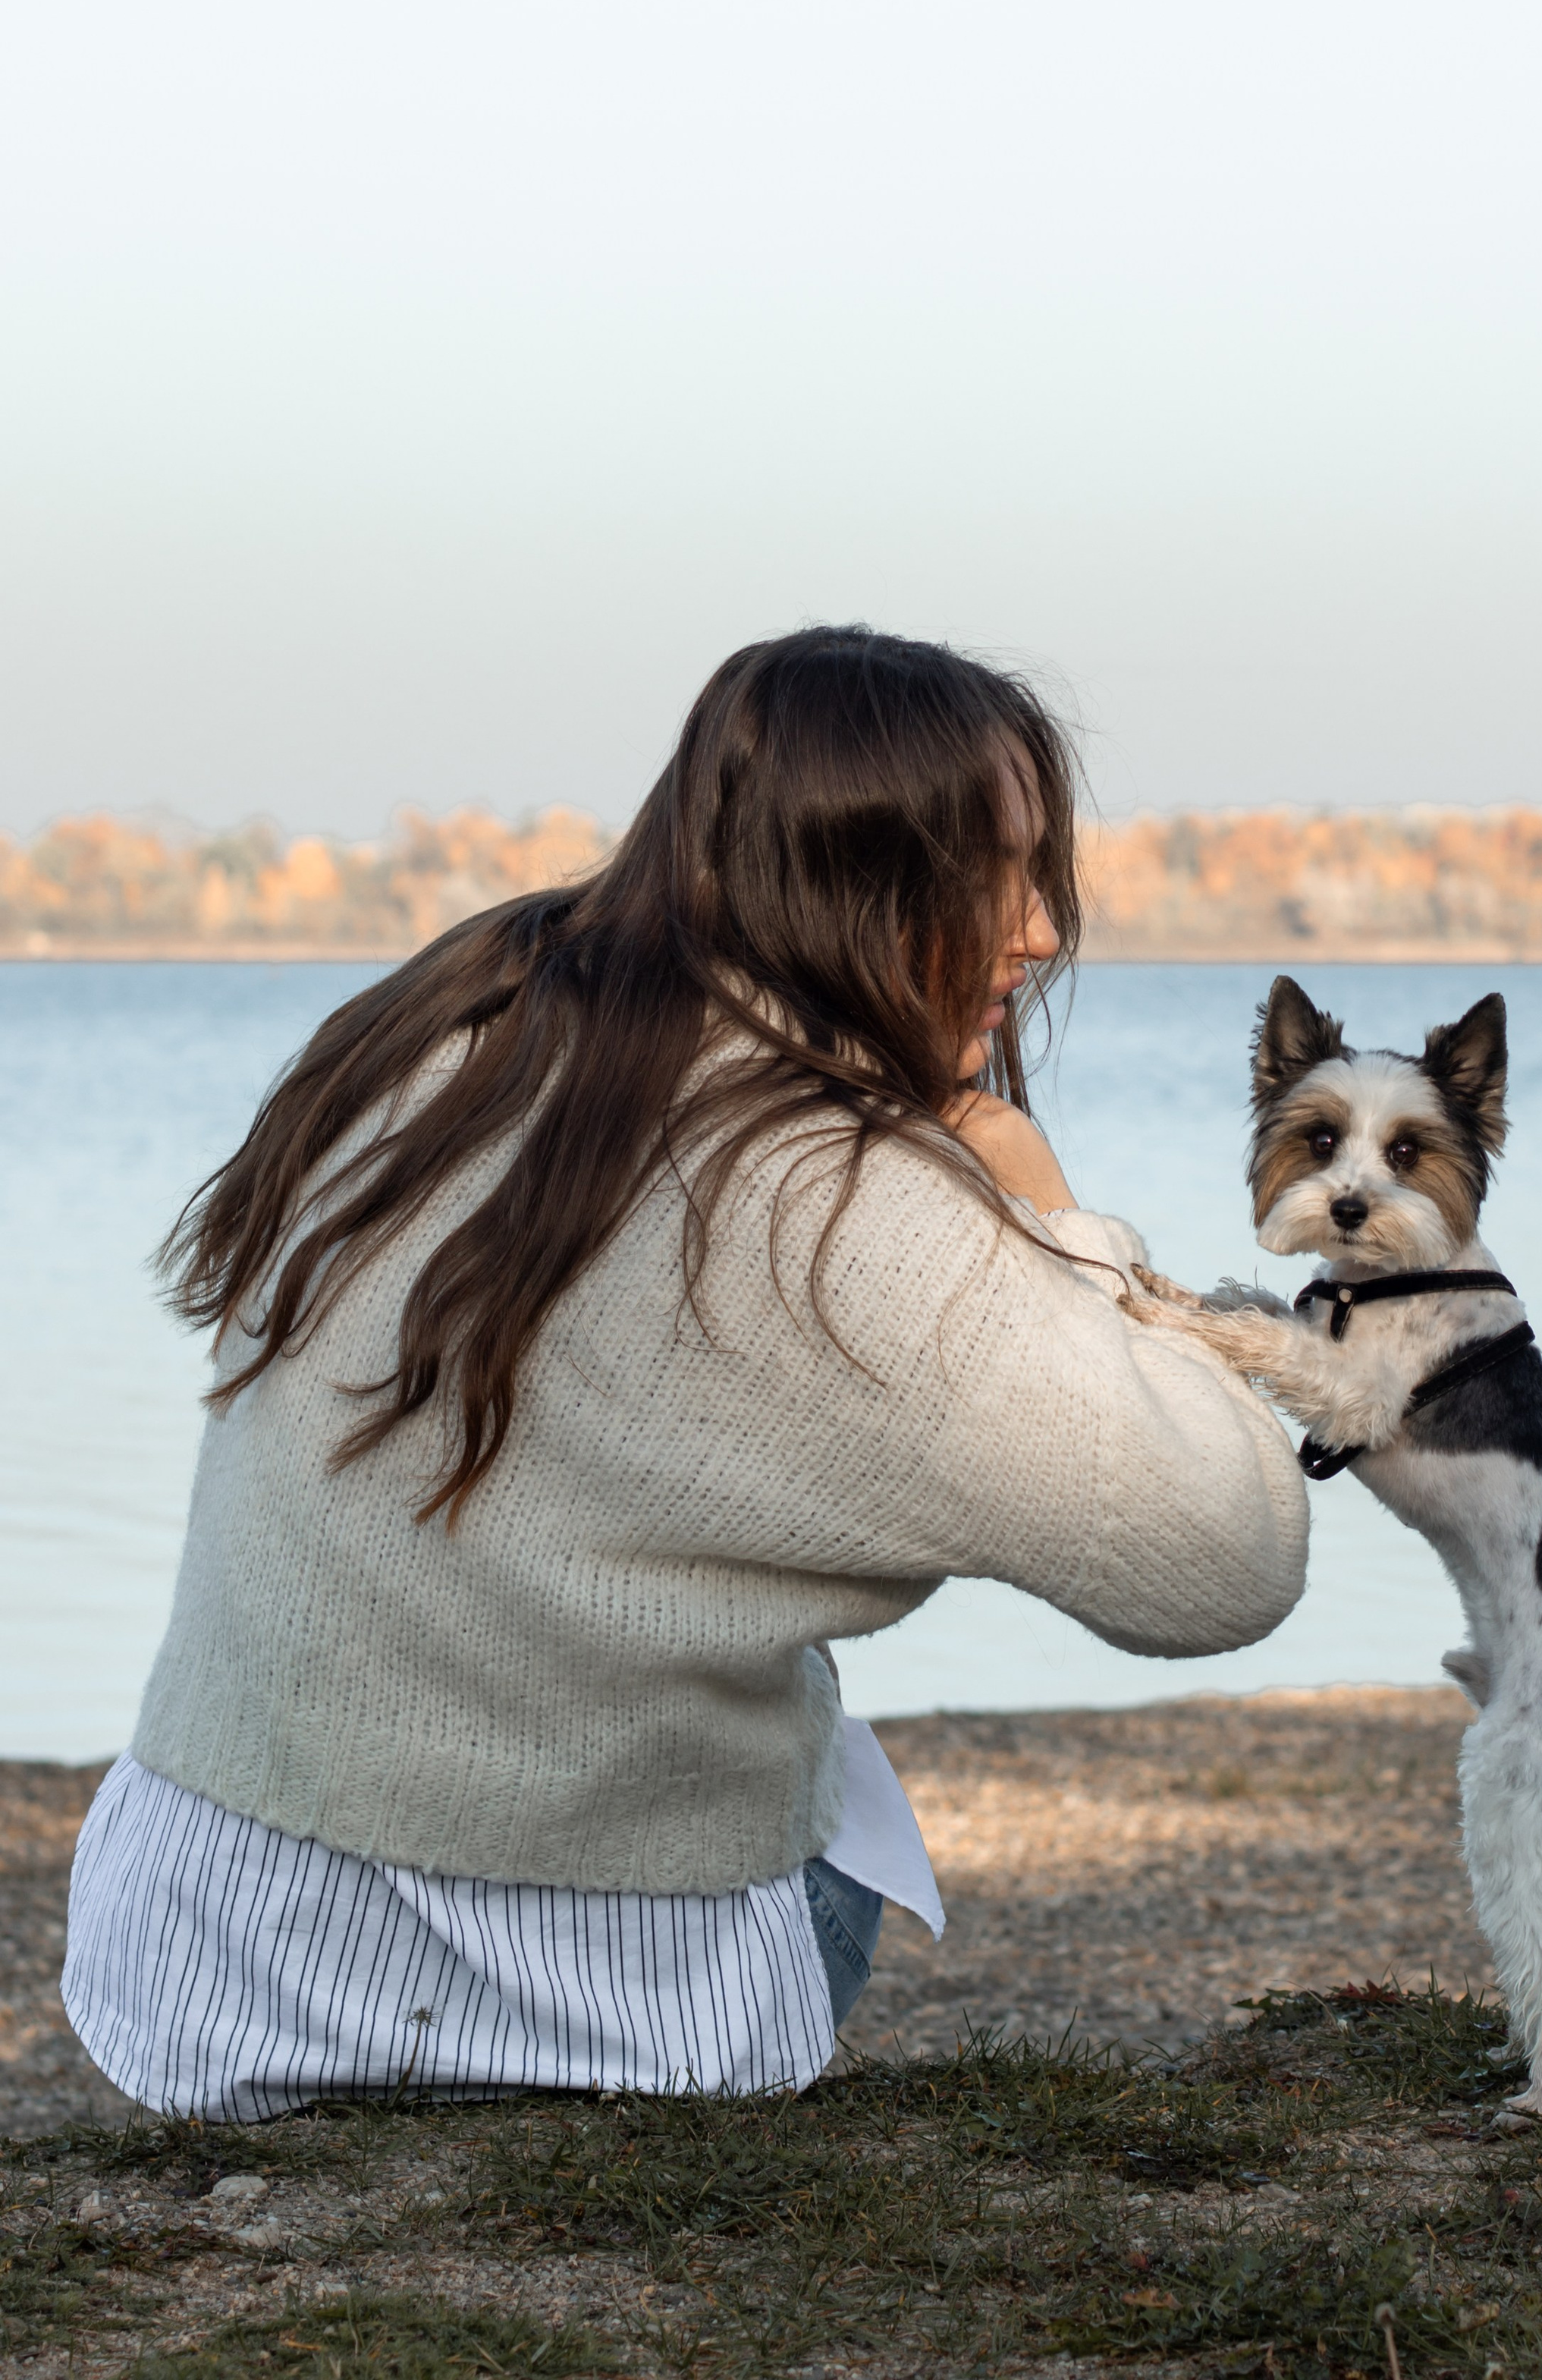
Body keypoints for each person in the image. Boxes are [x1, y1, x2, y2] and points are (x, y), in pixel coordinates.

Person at [64, 626, 1309, 2118]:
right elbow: (1225, 1553)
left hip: (200, 1966)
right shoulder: (831, 1200)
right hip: (600, 2017)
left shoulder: (451, 1018)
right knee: (842, 1790)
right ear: (849, 879)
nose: (1038, 931)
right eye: (991, 876)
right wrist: (1048, 1214)